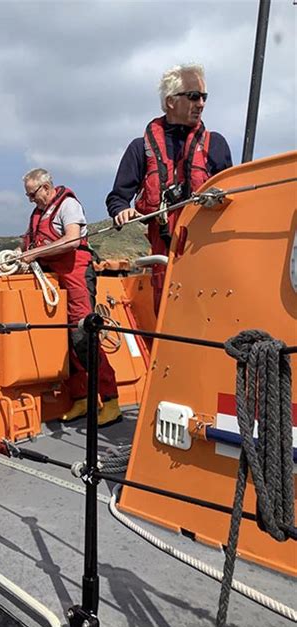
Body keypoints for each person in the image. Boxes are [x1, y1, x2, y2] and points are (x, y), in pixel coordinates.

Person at [106, 63, 232, 314]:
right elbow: (117, 198)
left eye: (204, 97)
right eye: (194, 96)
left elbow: (233, 196)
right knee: (167, 315)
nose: (201, 103)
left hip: (207, 252)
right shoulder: (140, 148)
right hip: (164, 256)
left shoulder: (215, 144)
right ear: (171, 101)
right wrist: (122, 210)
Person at [22, 168, 121, 427]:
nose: (31, 200)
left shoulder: (68, 206)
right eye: (28, 196)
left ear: (45, 187)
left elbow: (72, 240)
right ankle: (81, 399)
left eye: (32, 194)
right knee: (65, 339)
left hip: (76, 273)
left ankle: (110, 401)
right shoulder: (37, 214)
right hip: (54, 278)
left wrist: (37, 253)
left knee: (83, 337)